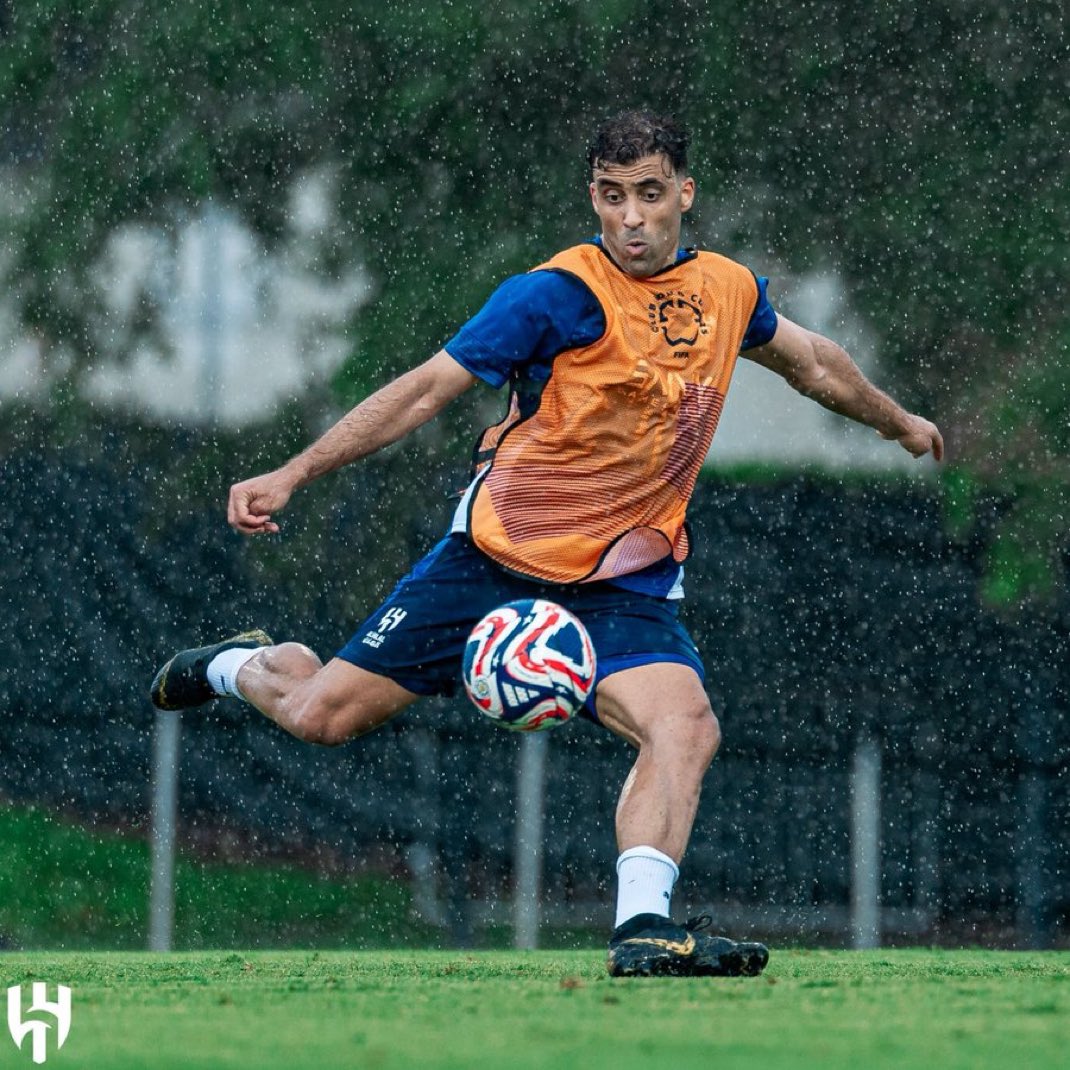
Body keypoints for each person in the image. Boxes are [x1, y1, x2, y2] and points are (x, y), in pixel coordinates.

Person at [150, 110, 943, 977]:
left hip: (625, 582)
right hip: (491, 560)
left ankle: (643, 926)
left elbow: (815, 363)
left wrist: (897, 421)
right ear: (593, 199)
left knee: (686, 724)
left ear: (685, 192)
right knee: (320, 717)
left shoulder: (728, 290)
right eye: (612, 197)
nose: (631, 218)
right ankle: (235, 664)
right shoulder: (554, 295)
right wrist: (294, 473)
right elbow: (423, 393)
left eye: (649, 194)